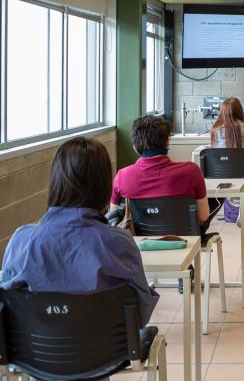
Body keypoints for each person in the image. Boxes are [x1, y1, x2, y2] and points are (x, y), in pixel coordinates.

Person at [1, 137, 159, 327]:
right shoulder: (119, 243)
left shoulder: (20, 242)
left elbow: (7, 307)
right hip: (106, 345)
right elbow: (140, 314)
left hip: (33, 345)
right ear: (103, 185)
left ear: (55, 182)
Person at [110, 115, 211, 233]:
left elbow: (114, 217)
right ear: (168, 142)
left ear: (135, 147)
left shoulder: (121, 177)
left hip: (138, 241)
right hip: (184, 240)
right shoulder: (192, 171)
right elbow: (203, 216)